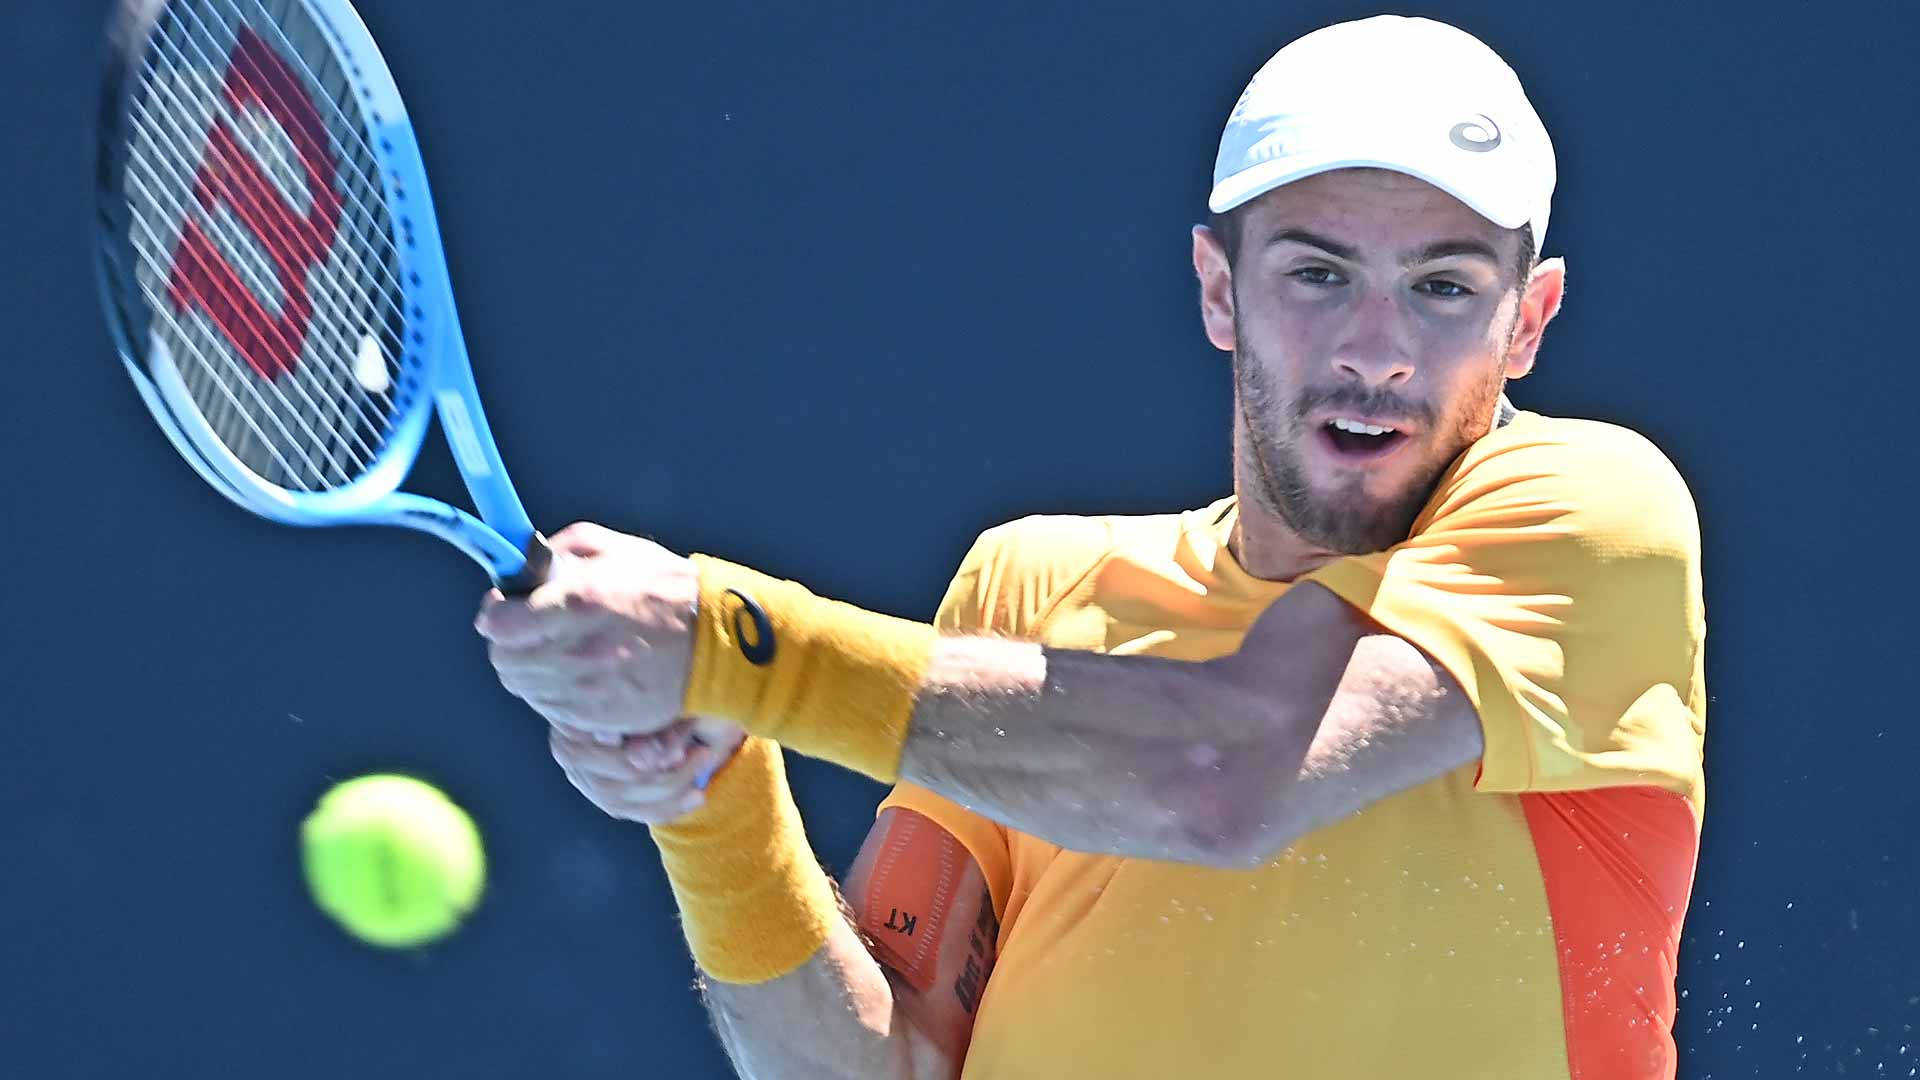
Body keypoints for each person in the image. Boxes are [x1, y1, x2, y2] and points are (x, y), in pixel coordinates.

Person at [475, 15, 1705, 1079]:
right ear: (1218, 290)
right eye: (1318, 274)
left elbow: (1228, 775)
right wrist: (714, 795)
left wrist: (738, 647)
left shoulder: (1595, 514)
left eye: (1442, 287)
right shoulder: (1028, 585)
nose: (1376, 348)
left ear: (1529, 317)